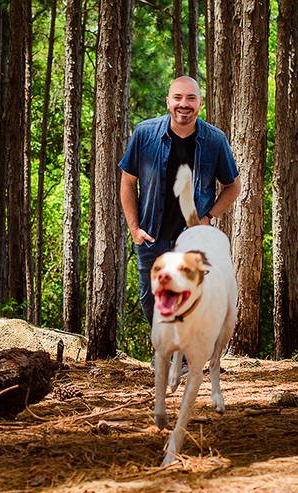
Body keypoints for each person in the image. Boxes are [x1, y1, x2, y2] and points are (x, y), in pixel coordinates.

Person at [119, 76, 241, 324]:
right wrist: (134, 229)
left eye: (190, 98)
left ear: (200, 103)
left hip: (193, 241)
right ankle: (166, 351)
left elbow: (233, 186)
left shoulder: (215, 141)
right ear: (168, 102)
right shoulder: (144, 134)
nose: (183, 104)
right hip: (152, 238)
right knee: (150, 299)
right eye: (178, 97)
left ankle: (183, 360)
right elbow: (128, 182)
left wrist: (208, 217)